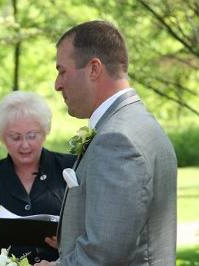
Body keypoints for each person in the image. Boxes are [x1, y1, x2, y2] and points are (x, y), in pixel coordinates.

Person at [35, 20, 177, 265]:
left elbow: (104, 254)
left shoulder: (117, 140)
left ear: (93, 69)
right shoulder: (139, 123)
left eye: (62, 70)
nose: (57, 84)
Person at [0, 91, 76, 264]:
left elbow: (93, 237)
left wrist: (65, 243)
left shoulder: (69, 167)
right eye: (15, 137)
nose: (24, 145)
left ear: (45, 132)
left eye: (32, 135)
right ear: (2, 137)